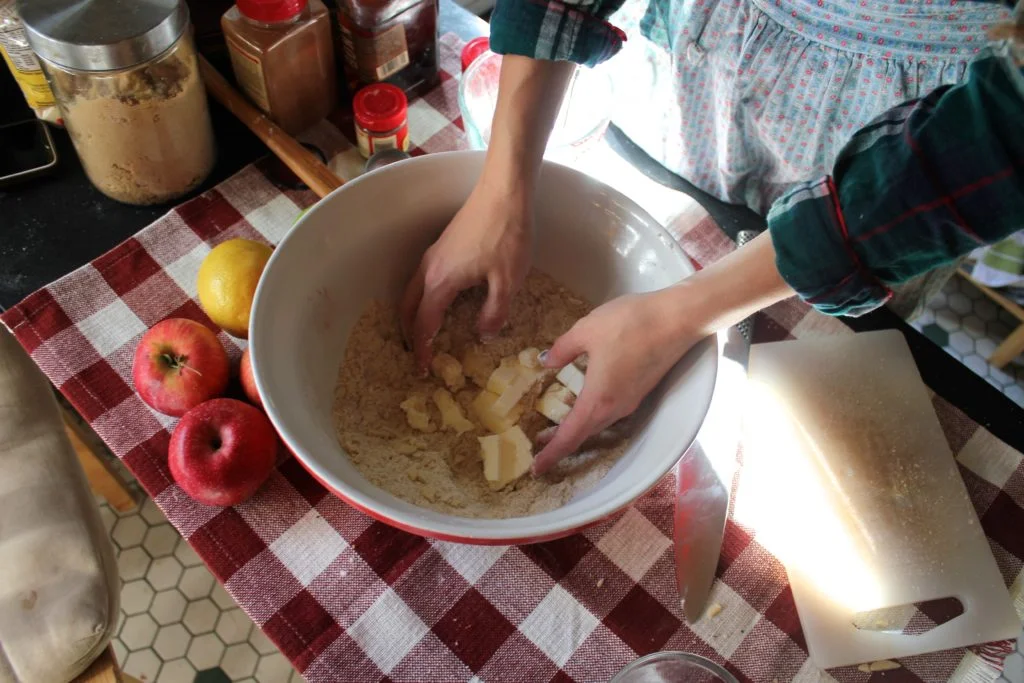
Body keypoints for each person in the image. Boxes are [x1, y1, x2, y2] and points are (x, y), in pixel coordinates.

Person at [400, 0, 1024, 474]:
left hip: (896, 166)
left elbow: (996, 142)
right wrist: (503, 190)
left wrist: (675, 317)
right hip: (695, 76)